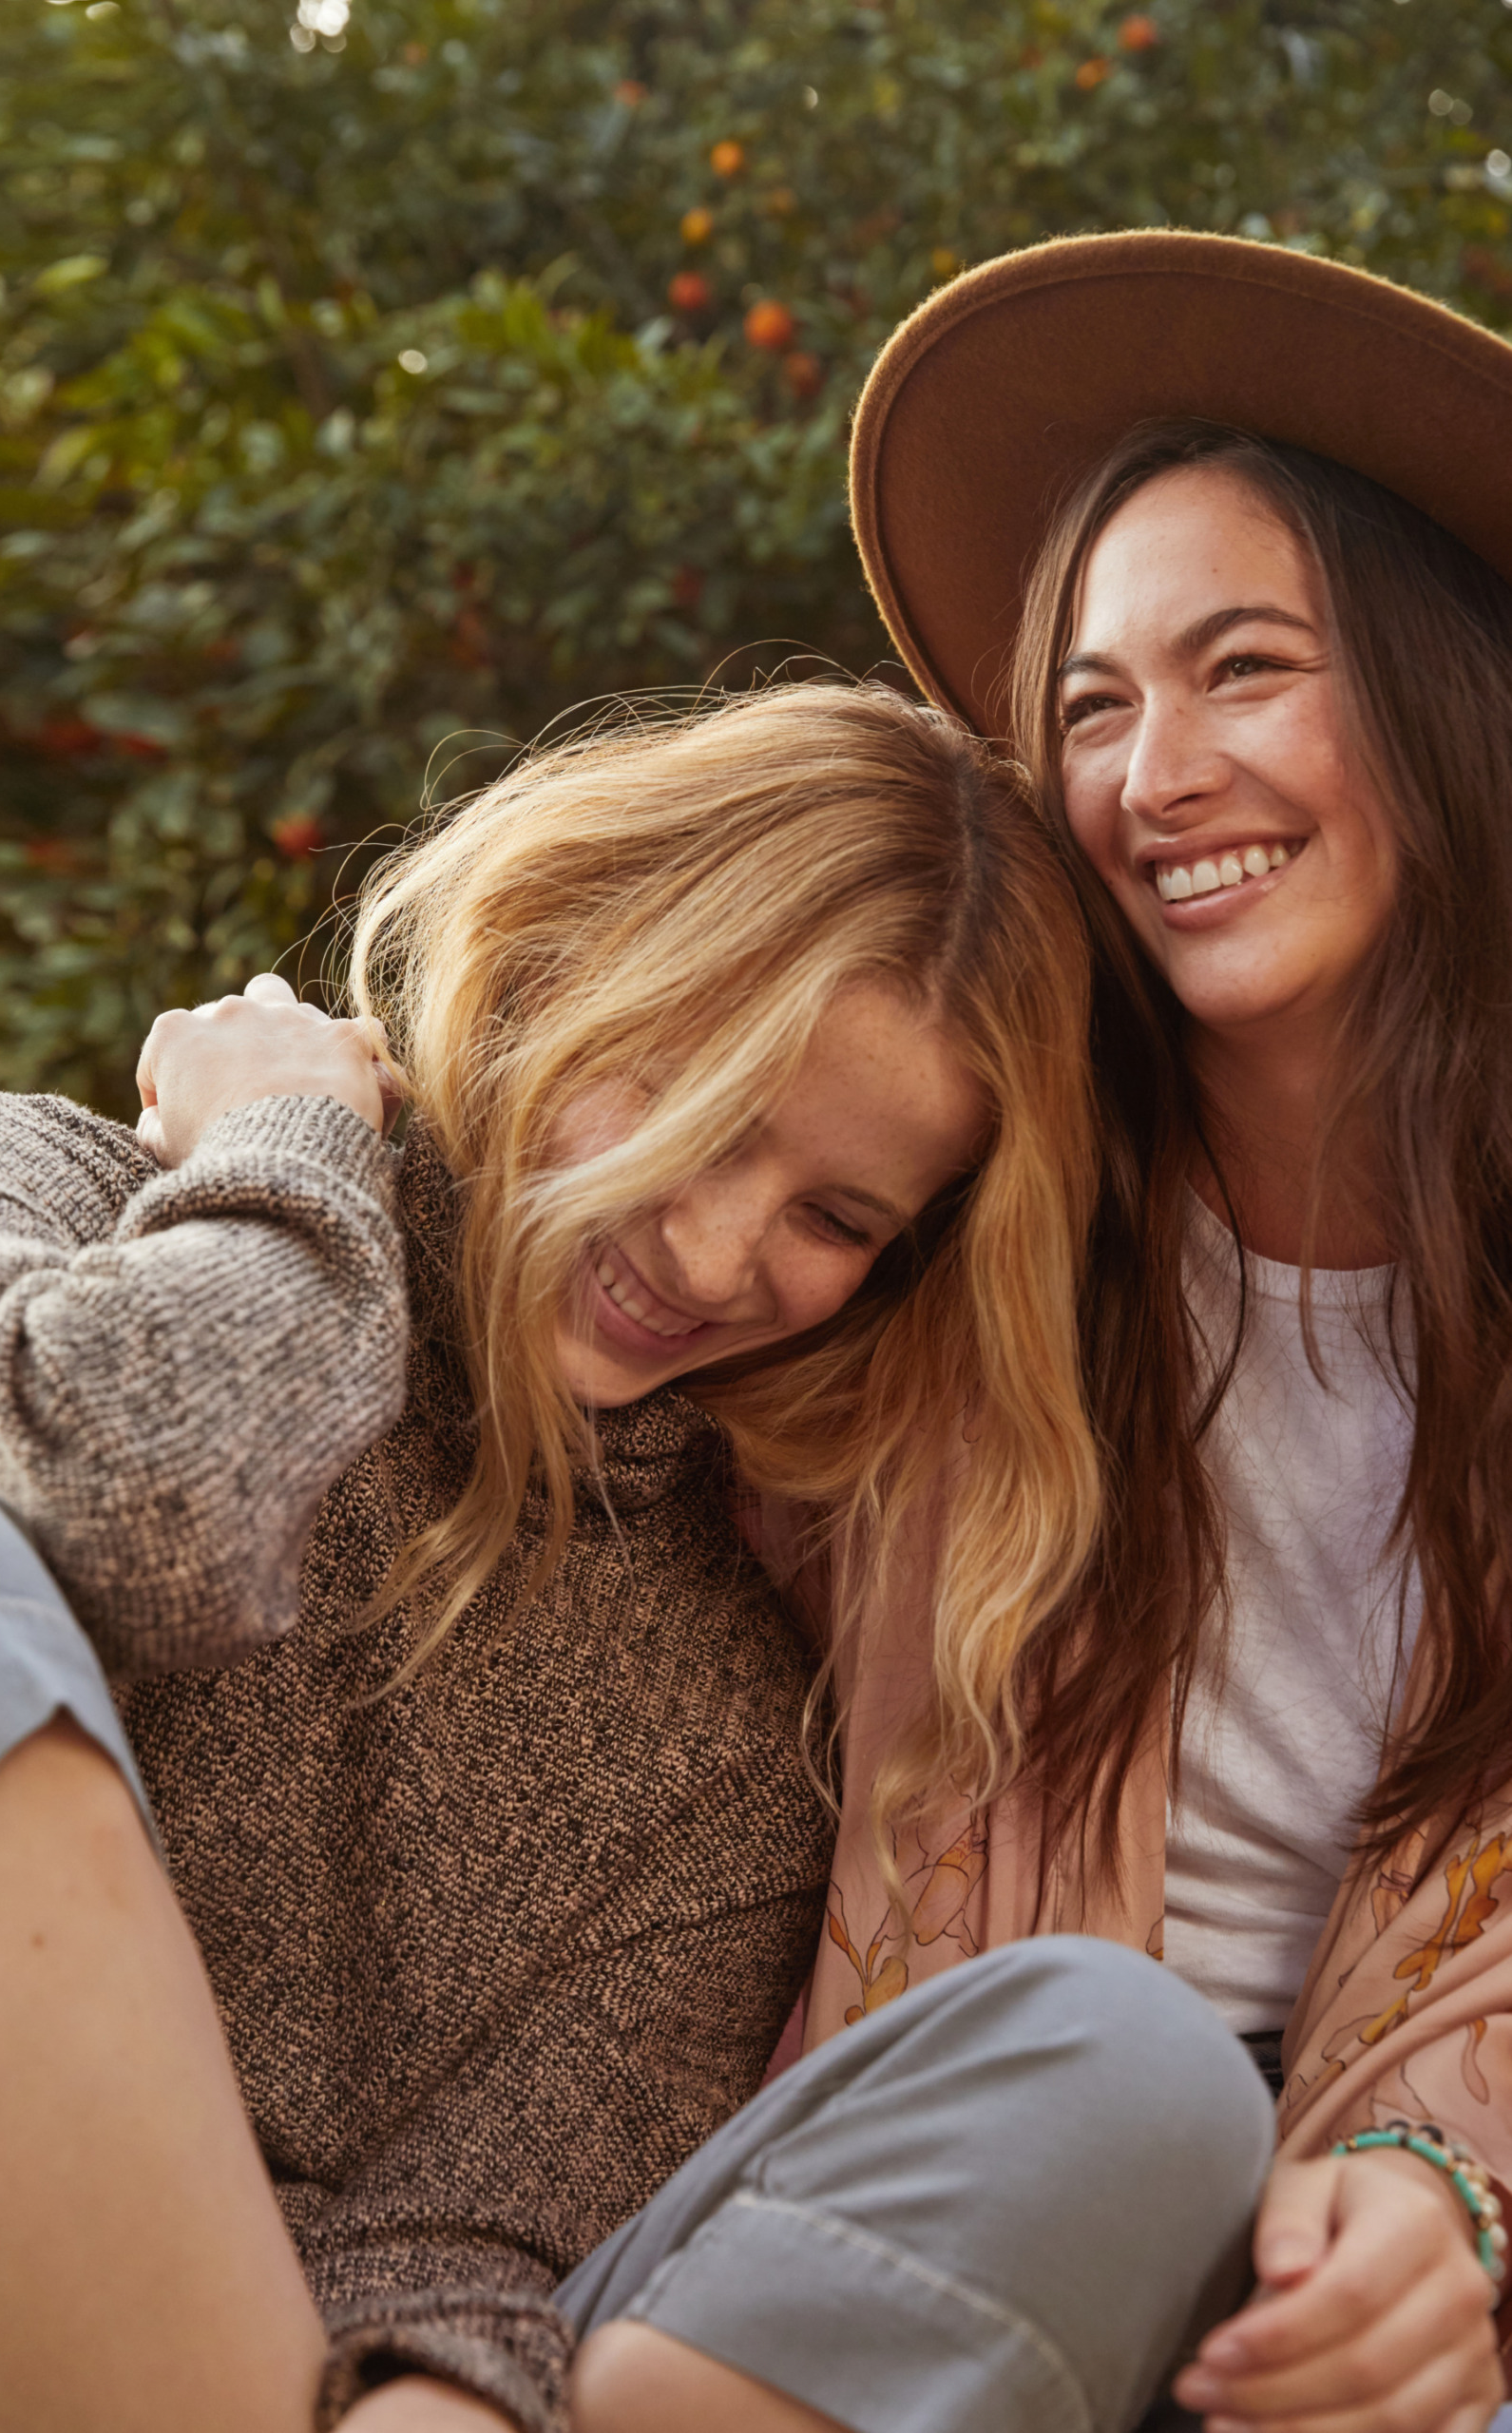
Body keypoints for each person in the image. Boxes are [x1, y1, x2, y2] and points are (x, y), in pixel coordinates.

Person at [0, 679, 1273, 2433]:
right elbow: (123, 1524)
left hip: (336, 2394)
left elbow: (494, 2234)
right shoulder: (26, 1191)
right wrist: (291, 1162)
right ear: (546, 959)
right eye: (686, 1091)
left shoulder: (731, 1733)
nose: (710, 1247)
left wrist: (434, 2398)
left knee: (1132, 2073)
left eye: (837, 1217)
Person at [826, 230, 1512, 2433]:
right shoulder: (965, 1201)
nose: (1155, 772)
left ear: (1428, 694)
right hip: (997, 2138)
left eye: (1242, 666)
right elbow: (609, 1177)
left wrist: (1454, 2175)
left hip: (1410, 2176)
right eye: (1094, 703)